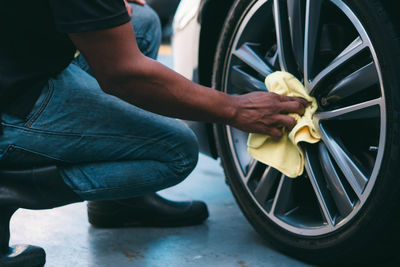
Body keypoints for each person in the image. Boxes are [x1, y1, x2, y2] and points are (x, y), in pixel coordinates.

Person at [0, 0, 308, 265]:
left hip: (16, 68)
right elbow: (123, 74)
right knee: (176, 153)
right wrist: (234, 109)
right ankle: (10, 187)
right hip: (10, 108)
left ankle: (121, 204)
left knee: (141, 23)